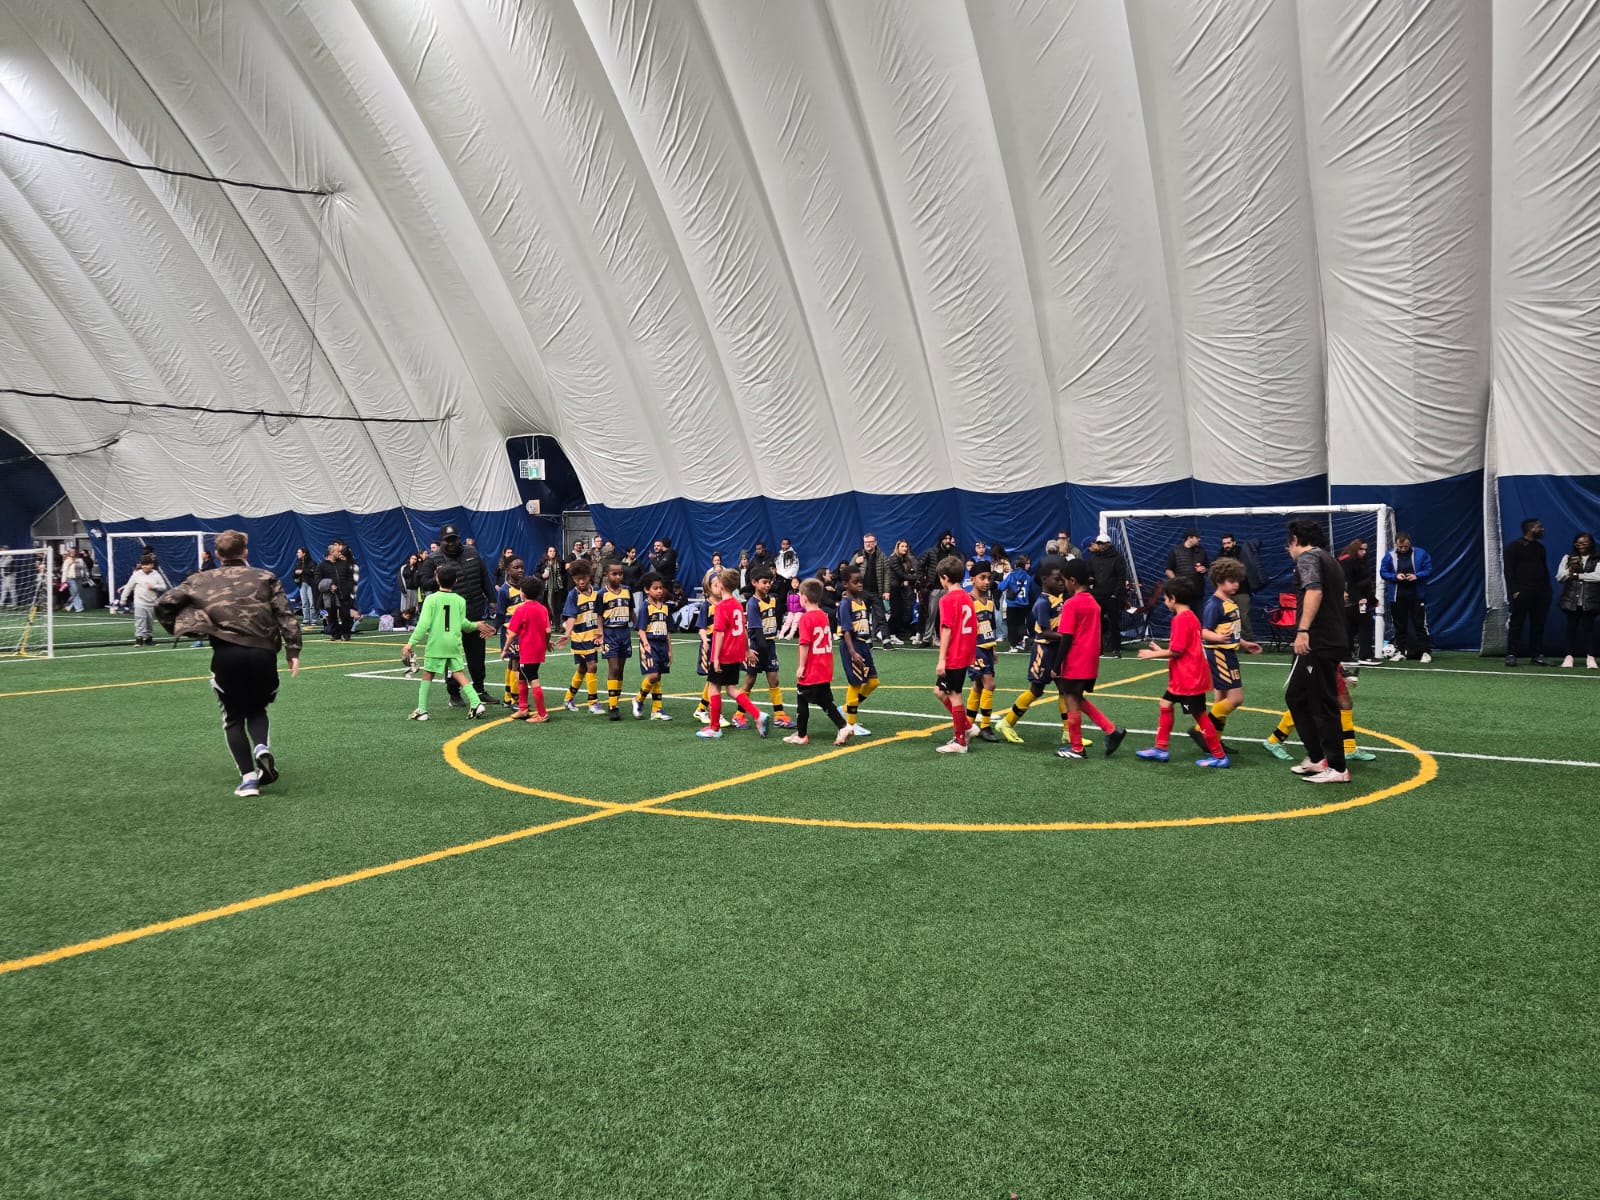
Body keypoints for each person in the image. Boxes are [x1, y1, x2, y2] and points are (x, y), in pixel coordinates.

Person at [153, 529, 301, 797]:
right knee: (257, 709)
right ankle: (261, 747)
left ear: (217, 554)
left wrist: (187, 627)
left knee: (233, 717)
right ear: (245, 551)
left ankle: (248, 780)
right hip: (263, 654)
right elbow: (285, 613)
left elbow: (164, 604)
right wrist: (293, 650)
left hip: (226, 654)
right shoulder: (265, 577)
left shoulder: (200, 579)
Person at [1277, 519, 1350, 783]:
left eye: (1288, 544)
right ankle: (1318, 757)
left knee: (1322, 703)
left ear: (1295, 540)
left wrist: (1303, 630)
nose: (1289, 550)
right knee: (1297, 697)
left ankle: (1338, 768)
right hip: (1330, 638)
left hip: (1318, 641)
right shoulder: (1331, 560)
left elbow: (1314, 592)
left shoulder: (1307, 558)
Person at [1134, 578, 1229, 767]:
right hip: (1183, 677)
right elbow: (1183, 646)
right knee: (1165, 703)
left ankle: (1219, 756)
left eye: (1165, 598)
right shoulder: (1190, 616)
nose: (1165, 602)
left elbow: (1177, 650)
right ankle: (1161, 748)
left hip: (1188, 678)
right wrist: (1161, 649)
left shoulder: (1180, 619)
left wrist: (1154, 654)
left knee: (1199, 715)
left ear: (1173, 598)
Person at [1054, 559, 1127, 760]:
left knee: (1071, 699)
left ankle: (1077, 747)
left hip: (1075, 659)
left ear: (1073, 581)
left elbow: (1066, 637)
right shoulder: (1093, 602)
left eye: (1065, 581)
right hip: (1090, 660)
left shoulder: (1071, 604)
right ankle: (1111, 730)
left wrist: (1056, 665)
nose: (1064, 585)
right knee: (1076, 697)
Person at [995, 557, 1073, 746]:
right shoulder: (1042, 603)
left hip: (1057, 649)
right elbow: (1045, 631)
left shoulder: (1060, 598)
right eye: (1057, 579)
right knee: (1036, 690)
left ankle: (1068, 731)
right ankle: (1007, 723)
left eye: (1062, 579)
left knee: (1064, 689)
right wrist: (1067, 637)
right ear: (1044, 580)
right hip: (1043, 650)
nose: (1061, 583)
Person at [1191, 558, 1262, 752]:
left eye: (1237, 580)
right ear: (1219, 581)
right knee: (1236, 699)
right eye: (1231, 581)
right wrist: (1218, 638)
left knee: (1221, 700)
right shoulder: (1214, 604)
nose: (1236, 584)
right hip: (1220, 654)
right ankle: (1200, 730)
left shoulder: (1229, 602)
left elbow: (1229, 631)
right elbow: (1204, 632)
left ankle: (1213, 741)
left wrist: (1244, 643)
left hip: (1228, 652)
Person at [402, 563, 488, 722]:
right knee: (458, 673)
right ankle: (476, 703)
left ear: (436, 579)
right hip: (454, 643)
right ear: (456, 581)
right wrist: (476, 625)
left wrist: (410, 643)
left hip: (437, 644)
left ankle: (422, 710)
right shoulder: (460, 600)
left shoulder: (431, 599)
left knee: (428, 674)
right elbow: (464, 624)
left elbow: (423, 624)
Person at [419, 524, 495, 701]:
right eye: (447, 540)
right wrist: (437, 578)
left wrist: (492, 599)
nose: (452, 543)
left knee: (477, 654)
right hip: (449, 617)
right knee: (451, 656)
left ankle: (480, 689)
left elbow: (484, 577)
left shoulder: (472, 553)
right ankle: (454, 693)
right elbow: (424, 583)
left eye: (454, 539)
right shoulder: (433, 559)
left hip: (474, 611)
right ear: (441, 541)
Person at [697, 569, 770, 739]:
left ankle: (715, 727)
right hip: (735, 654)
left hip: (723, 653)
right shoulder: (738, 605)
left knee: (714, 687)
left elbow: (719, 633)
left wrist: (715, 657)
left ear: (721, 586)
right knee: (731, 689)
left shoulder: (722, 606)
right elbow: (743, 630)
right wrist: (746, 650)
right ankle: (758, 715)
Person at [1261, 663, 1377, 765]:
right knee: (1309, 704)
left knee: (1344, 703)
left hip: (1327, 663)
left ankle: (1349, 748)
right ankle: (1274, 740)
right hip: (1315, 663)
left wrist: (1342, 671)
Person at [785, 578, 852, 747]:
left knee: (802, 698)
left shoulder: (806, 618)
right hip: (825, 665)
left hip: (813, 667)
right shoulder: (823, 615)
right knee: (824, 700)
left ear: (804, 598)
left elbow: (805, 644)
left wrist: (801, 666)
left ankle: (802, 735)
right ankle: (843, 726)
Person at [933, 555, 978, 754]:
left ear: (945, 578)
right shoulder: (968, 598)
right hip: (964, 652)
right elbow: (974, 627)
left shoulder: (947, 599)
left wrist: (941, 659)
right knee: (939, 691)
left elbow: (947, 629)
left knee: (954, 694)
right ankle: (967, 727)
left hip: (954, 654)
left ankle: (960, 741)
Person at [742, 569, 794, 728]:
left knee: (774, 679)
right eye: (764, 582)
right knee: (750, 680)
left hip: (769, 645)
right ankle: (739, 715)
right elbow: (757, 631)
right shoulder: (753, 604)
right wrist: (759, 651)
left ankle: (779, 715)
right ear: (754, 583)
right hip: (757, 646)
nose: (767, 585)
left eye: (769, 582)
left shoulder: (772, 599)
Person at [837, 565, 881, 736]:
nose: (859, 584)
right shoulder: (845, 604)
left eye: (860, 581)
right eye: (855, 582)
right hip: (852, 645)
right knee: (855, 684)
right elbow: (846, 630)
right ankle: (850, 724)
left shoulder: (861, 601)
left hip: (863, 645)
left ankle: (846, 708)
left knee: (873, 682)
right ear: (846, 584)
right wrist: (852, 652)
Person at [1378, 531, 1433, 662]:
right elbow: (1383, 572)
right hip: (1397, 596)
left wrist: (1417, 576)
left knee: (1419, 624)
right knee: (1399, 626)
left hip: (1416, 595)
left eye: (1405, 547)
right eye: (1400, 547)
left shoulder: (1421, 553)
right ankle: (1401, 651)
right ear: (1395, 544)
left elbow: (1429, 569)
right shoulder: (1389, 555)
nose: (1403, 549)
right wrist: (1395, 576)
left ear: (1410, 543)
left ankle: (1425, 652)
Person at [1504, 517, 1552, 666]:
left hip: (1541, 592)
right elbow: (1509, 570)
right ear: (1531, 529)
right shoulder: (1514, 547)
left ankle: (1536, 654)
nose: (1542, 529)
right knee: (1517, 623)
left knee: (1538, 624)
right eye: (1539, 527)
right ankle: (1512, 654)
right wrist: (1514, 590)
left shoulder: (1540, 548)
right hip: (1523, 591)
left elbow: (1544, 570)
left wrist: (1547, 590)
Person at [503, 578, 551, 722]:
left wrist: (505, 649)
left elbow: (512, 634)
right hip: (538, 648)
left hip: (528, 649)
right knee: (522, 677)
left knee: (532, 678)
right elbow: (548, 630)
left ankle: (542, 714)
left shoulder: (521, 610)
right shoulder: (543, 609)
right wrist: (547, 643)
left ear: (522, 593)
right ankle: (523, 709)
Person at [558, 558, 602, 712]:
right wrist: (567, 634)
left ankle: (568, 698)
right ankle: (593, 703)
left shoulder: (597, 592)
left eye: (584, 578)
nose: (581, 581)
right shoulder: (573, 595)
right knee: (592, 666)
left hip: (593, 636)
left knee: (583, 668)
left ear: (589, 576)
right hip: (580, 638)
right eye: (577, 579)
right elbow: (571, 616)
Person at [963, 561, 1000, 741]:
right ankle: (985, 726)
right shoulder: (968, 602)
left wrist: (993, 649)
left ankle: (968, 725)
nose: (986, 582)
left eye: (988, 578)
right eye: (982, 578)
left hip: (986, 648)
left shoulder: (990, 602)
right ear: (972, 580)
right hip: (975, 649)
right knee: (989, 684)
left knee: (978, 686)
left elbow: (991, 627)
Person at [633, 572, 674, 720]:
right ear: (646, 590)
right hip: (650, 644)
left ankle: (657, 710)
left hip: (662, 644)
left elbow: (667, 631)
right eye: (655, 588)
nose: (659, 591)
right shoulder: (645, 607)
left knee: (659, 675)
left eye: (661, 588)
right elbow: (641, 629)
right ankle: (638, 699)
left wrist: (670, 649)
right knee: (653, 675)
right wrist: (645, 644)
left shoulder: (665, 608)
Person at [1556, 531, 1600, 669]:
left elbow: (1598, 577)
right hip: (1571, 600)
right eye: (1578, 543)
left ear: (1591, 544)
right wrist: (1570, 571)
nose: (1581, 546)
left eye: (1585, 543)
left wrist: (1578, 576)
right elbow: (1559, 577)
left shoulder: (1597, 559)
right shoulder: (1568, 558)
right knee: (1571, 629)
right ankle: (1568, 657)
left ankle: (1591, 657)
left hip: (1590, 600)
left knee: (1589, 629)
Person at [598, 559, 635, 721]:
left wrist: (640, 625)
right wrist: (600, 633)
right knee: (613, 668)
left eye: (620, 574)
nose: (618, 577)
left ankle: (616, 700)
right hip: (610, 633)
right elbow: (599, 615)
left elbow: (631, 611)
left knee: (620, 670)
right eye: (614, 574)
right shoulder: (602, 594)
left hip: (624, 633)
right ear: (607, 575)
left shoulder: (627, 590)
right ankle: (612, 706)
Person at [1217, 533, 1266, 640]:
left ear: (1234, 542)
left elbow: (1246, 570)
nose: (1226, 545)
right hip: (1227, 593)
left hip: (1242, 591)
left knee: (1243, 617)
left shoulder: (1242, 553)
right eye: (1224, 543)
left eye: (1229, 543)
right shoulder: (1220, 555)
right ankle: (1232, 640)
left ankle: (1249, 640)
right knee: (1228, 617)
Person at [1084, 535, 1127, 656]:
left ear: (1108, 544)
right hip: (1097, 596)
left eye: (1102, 543)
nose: (1101, 545)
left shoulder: (1118, 558)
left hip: (1112, 597)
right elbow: (1090, 574)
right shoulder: (1093, 559)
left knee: (1114, 624)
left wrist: (1115, 594)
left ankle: (1116, 649)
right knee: (1097, 624)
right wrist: (1090, 582)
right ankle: (1098, 649)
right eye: (1099, 543)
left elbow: (1121, 577)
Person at [494, 558, 527, 705]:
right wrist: (495, 628)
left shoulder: (524, 587)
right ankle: (515, 699)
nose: (520, 570)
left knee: (514, 661)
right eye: (516, 567)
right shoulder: (504, 590)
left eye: (522, 567)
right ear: (508, 570)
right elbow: (500, 613)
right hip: (511, 631)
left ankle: (508, 695)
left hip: (523, 630)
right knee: (516, 662)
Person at [915, 531, 957, 645]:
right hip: (934, 587)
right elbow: (920, 565)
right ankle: (926, 638)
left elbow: (958, 566)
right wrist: (922, 579)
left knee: (946, 615)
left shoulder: (952, 553)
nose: (947, 541)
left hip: (948, 587)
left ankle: (941, 637)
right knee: (931, 614)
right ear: (941, 540)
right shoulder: (931, 552)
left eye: (949, 538)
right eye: (945, 538)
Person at [1338, 539, 1376, 662]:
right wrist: (1359, 598)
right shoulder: (1349, 561)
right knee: (1365, 625)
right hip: (1354, 600)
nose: (1364, 552)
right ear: (1354, 549)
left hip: (1357, 599)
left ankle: (1346, 655)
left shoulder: (1358, 561)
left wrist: (1372, 599)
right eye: (1361, 549)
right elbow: (1350, 583)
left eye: (1365, 549)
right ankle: (1365, 655)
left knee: (1350, 628)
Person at [853, 533, 893, 647]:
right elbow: (849, 570)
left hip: (876, 592)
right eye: (866, 542)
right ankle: (867, 640)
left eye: (870, 542)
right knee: (863, 617)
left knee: (881, 617)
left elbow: (887, 575)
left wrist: (886, 591)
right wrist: (855, 562)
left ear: (875, 543)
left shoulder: (882, 556)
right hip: (862, 592)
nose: (868, 544)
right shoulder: (859, 555)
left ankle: (886, 641)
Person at [119, 555, 169, 645]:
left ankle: (148, 639)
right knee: (140, 620)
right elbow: (129, 587)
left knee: (149, 622)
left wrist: (154, 586)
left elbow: (163, 587)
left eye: (147, 564)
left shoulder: (156, 575)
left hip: (152, 602)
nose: (145, 566)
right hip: (139, 602)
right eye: (143, 564)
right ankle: (139, 639)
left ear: (152, 565)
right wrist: (123, 599)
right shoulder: (137, 575)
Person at [316, 542, 356, 641]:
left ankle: (346, 634)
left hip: (344, 594)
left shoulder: (344, 564)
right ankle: (335, 634)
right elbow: (318, 580)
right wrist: (329, 586)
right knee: (332, 616)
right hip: (330, 596)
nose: (339, 553)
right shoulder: (322, 566)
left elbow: (350, 578)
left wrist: (348, 589)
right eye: (337, 552)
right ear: (331, 552)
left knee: (345, 615)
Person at [1001, 554, 1034, 652]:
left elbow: (1001, 587)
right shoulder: (1028, 577)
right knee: (1021, 623)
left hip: (1012, 604)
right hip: (1023, 604)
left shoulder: (1011, 575)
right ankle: (1024, 636)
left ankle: (1013, 646)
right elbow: (1030, 591)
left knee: (1011, 625)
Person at [888, 539, 918, 641]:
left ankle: (891, 633)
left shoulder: (903, 559)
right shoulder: (894, 559)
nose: (905, 548)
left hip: (899, 588)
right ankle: (888, 632)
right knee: (896, 612)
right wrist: (916, 578)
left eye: (906, 546)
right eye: (902, 546)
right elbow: (901, 574)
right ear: (897, 547)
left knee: (899, 612)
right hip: (892, 588)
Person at [1165, 530, 1209, 595]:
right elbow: (1168, 570)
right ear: (1189, 538)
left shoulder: (1202, 551)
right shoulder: (1175, 551)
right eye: (1197, 537)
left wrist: (1204, 569)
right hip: (1181, 591)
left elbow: (1208, 568)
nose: (1199, 539)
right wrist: (1177, 583)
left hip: (1198, 591)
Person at [291, 548, 318, 622]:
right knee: (304, 602)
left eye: (299, 552)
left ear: (304, 553)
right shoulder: (298, 563)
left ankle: (314, 619)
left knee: (312, 602)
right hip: (302, 584)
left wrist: (302, 571)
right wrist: (295, 573)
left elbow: (314, 572)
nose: (297, 554)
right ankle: (306, 618)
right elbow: (294, 573)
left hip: (310, 584)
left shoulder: (312, 562)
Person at [774, 538, 800, 604]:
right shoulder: (779, 555)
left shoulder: (793, 555)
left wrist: (786, 576)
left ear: (789, 545)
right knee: (780, 597)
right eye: (783, 544)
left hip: (788, 579)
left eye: (787, 544)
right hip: (780, 578)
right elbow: (777, 566)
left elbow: (795, 567)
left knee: (787, 597)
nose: (785, 546)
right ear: (781, 544)